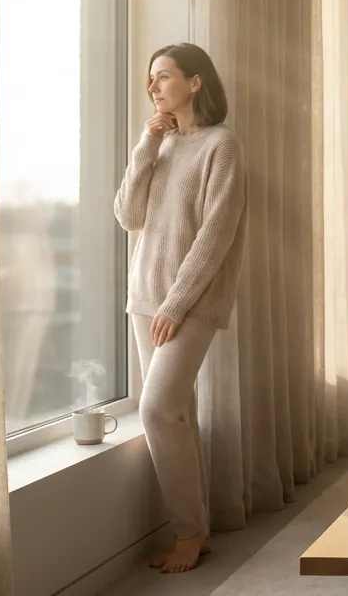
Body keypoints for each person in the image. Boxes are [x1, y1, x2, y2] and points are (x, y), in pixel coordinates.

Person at [113, 42, 247, 574]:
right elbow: (128, 214)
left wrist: (176, 302)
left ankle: (188, 534)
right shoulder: (161, 145)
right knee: (177, 415)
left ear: (194, 83)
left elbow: (216, 234)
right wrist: (146, 146)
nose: (153, 86)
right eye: (150, 79)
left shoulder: (223, 146)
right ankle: (199, 530)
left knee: (155, 410)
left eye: (163, 76)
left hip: (186, 302)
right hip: (144, 296)